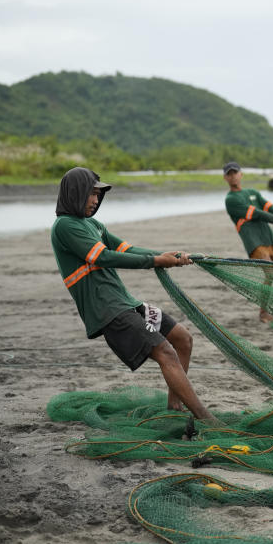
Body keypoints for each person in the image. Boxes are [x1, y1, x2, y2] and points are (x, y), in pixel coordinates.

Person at [50, 166, 218, 422]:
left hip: (125, 302)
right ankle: (207, 419)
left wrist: (170, 255)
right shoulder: (65, 226)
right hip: (108, 309)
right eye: (91, 194)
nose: (96, 200)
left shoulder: (92, 224)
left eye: (98, 195)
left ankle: (175, 409)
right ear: (75, 193)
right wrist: (155, 261)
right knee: (166, 353)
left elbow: (127, 248)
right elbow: (103, 257)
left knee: (183, 339)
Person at [223, 162, 273, 322]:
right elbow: (259, 214)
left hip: (269, 236)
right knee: (270, 273)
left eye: (235, 173)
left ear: (241, 174)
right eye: (229, 174)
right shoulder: (231, 200)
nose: (233, 176)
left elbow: (270, 208)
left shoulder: (252, 193)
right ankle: (263, 313)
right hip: (254, 241)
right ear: (225, 178)